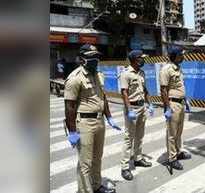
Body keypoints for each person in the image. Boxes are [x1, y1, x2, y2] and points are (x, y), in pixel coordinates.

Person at [64, 44, 121, 193]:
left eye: (96, 57)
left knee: (97, 158)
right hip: (84, 123)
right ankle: (85, 190)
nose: (95, 60)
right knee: (85, 162)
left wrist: (109, 117)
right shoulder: (74, 78)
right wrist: (72, 131)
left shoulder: (98, 74)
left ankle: (96, 186)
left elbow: (103, 97)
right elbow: (69, 106)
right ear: (82, 59)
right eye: (91, 58)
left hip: (99, 121)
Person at [120, 50, 154, 180]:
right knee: (129, 138)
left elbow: (144, 90)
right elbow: (124, 92)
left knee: (140, 135)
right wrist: (129, 110)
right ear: (135, 59)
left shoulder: (141, 72)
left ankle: (138, 158)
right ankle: (125, 167)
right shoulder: (126, 73)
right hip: (132, 107)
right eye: (141, 58)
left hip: (141, 106)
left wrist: (149, 104)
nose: (143, 60)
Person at [159, 45, 191, 170]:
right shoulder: (166, 69)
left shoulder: (178, 68)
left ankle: (178, 152)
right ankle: (172, 158)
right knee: (172, 133)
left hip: (180, 103)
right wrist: (167, 107)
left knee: (179, 131)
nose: (183, 56)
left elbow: (180, 86)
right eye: (181, 55)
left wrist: (185, 100)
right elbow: (163, 90)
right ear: (175, 56)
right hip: (172, 104)